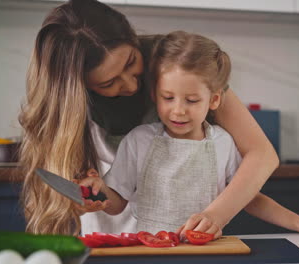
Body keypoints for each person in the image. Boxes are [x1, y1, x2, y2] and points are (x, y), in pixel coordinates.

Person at [18, 0, 280, 236]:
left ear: (132, 38)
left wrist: (215, 216)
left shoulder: (173, 61)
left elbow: (262, 154)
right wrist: (88, 199)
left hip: (183, 225)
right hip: (109, 220)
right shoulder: (64, 100)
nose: (131, 86)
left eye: (131, 62)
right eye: (109, 83)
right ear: (80, 87)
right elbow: (111, 197)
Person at [79, 31, 299, 238]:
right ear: (154, 95)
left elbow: (248, 198)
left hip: (205, 253)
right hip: (151, 252)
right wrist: (100, 191)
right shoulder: (138, 140)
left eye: (192, 100)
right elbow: (117, 203)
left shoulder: (223, 143)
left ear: (215, 100)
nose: (179, 110)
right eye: (168, 98)